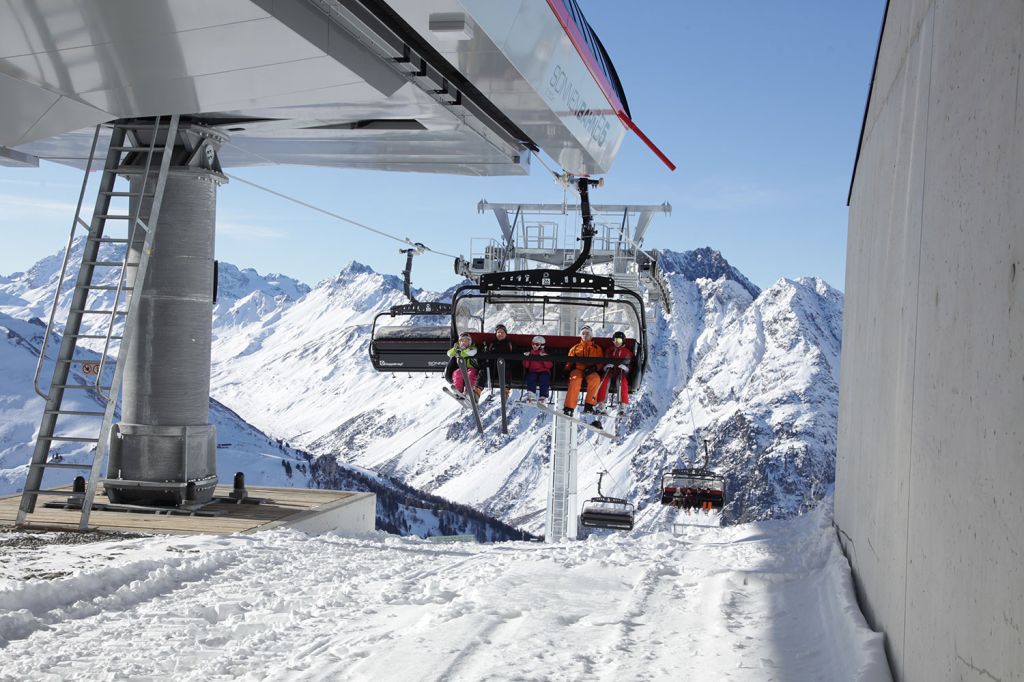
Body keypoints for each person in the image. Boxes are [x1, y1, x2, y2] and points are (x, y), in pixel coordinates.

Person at [563, 325, 603, 416]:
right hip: (578, 369)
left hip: (591, 370)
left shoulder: (596, 348)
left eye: (587, 333)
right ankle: (569, 408)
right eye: (583, 334)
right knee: (575, 379)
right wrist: (566, 370)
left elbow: (601, 361)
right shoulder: (575, 348)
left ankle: (589, 406)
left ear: (591, 335)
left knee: (595, 379)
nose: (585, 335)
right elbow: (569, 360)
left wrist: (595, 368)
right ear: (581, 335)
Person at [596, 330, 632, 415]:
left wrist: (626, 368)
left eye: (619, 340)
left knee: (622, 381)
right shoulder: (609, 350)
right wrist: (606, 366)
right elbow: (604, 361)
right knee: (604, 380)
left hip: (621, 372)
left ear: (623, 341)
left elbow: (631, 365)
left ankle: (622, 404)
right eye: (615, 340)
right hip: (610, 371)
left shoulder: (627, 352)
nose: (617, 342)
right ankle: (601, 403)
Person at [446, 332, 480, 396]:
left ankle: (468, 391)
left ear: (469, 342)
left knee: (470, 375)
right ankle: (458, 390)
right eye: (462, 341)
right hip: (462, 368)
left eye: (466, 341)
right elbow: (449, 354)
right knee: (457, 373)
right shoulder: (457, 349)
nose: (463, 343)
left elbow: (472, 352)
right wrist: (455, 349)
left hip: (472, 368)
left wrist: (461, 352)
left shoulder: (472, 348)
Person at [484, 323, 514, 394]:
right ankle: (477, 389)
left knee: (506, 370)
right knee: (483, 371)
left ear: (506, 334)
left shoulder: (509, 344)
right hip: (493, 367)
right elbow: (488, 353)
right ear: (496, 334)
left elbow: (514, 353)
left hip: (505, 367)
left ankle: (506, 389)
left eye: (502, 332)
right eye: (498, 332)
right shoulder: (492, 344)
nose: (500, 334)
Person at [522, 335, 553, 403]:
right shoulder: (530, 353)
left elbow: (549, 366)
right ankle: (531, 395)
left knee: (544, 379)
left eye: (537, 344)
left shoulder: (545, 354)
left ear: (541, 346)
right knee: (530, 378)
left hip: (544, 371)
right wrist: (526, 358)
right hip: (533, 371)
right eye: (533, 344)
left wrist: (544, 358)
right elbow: (526, 366)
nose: (534, 346)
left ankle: (543, 396)